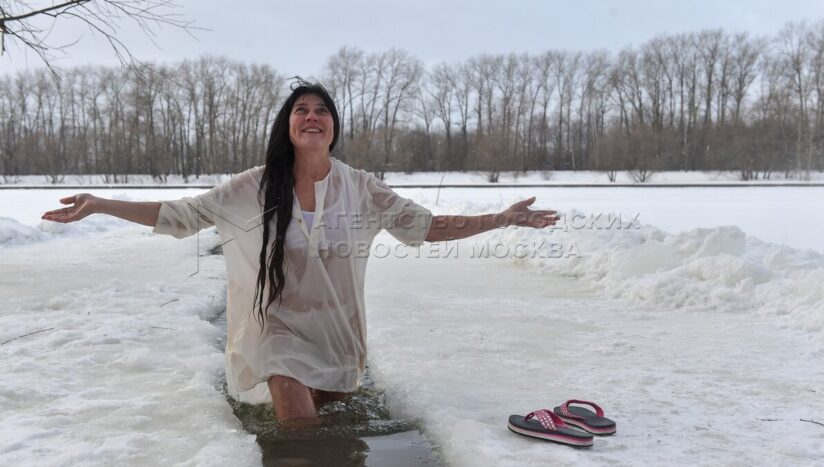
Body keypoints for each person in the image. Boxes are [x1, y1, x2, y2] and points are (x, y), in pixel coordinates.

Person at [41, 80, 560, 424]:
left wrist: (503, 217)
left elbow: (428, 227)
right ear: (288, 126)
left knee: (319, 411)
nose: (311, 117)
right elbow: (181, 215)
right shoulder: (254, 187)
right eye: (301, 110)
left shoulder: (361, 189)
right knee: (289, 390)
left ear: (333, 127)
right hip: (274, 326)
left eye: (321, 111)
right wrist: (101, 203)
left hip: (336, 331)